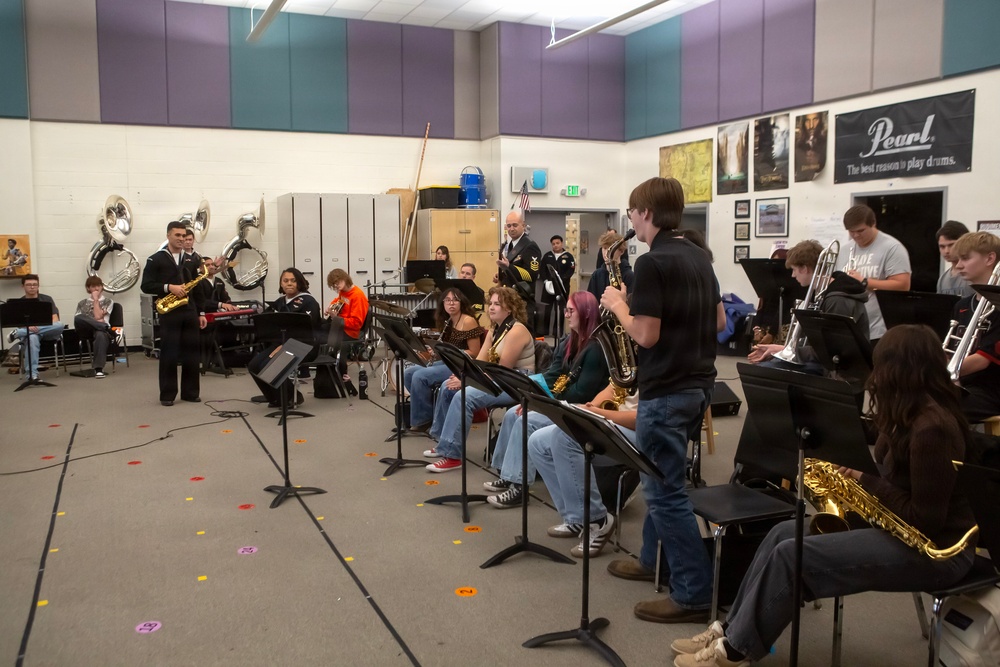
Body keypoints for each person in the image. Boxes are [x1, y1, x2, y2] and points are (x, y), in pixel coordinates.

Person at [672, 324, 976, 667]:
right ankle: (729, 629)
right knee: (783, 533)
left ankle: (737, 650)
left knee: (793, 555)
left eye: (880, 367)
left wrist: (865, 479)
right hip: (897, 528)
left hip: (936, 551)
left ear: (900, 371)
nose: (874, 377)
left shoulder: (932, 428)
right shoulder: (907, 412)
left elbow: (927, 521)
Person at [600, 177, 719, 624]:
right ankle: (652, 559)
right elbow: (719, 317)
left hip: (666, 390)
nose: (630, 220)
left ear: (646, 213)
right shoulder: (697, 256)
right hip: (698, 386)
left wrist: (618, 305)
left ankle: (692, 592)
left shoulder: (652, 262)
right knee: (665, 478)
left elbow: (646, 334)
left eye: (632, 212)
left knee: (664, 492)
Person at [484, 291, 608, 508]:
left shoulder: (596, 347)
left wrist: (542, 404)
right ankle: (508, 472)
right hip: (561, 402)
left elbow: (582, 393)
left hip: (578, 409)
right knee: (515, 412)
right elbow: (553, 372)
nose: (566, 315)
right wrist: (531, 390)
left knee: (526, 420)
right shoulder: (570, 340)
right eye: (566, 310)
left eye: (571, 311)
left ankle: (519, 486)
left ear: (586, 313)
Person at [425, 286, 535, 472]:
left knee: (464, 397)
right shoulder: (494, 330)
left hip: (516, 382)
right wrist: (463, 376)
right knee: (447, 385)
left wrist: (466, 381)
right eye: (490, 303)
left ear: (510, 308)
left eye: (497, 304)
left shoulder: (517, 330)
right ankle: (444, 443)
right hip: (497, 378)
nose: (491, 307)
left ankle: (453, 456)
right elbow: (480, 362)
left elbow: (502, 370)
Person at [528, 381, 638, 558]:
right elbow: (611, 388)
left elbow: (644, 418)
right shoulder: (632, 361)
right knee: (537, 443)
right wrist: (589, 409)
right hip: (610, 421)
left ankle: (597, 520)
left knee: (564, 437)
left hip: (640, 432)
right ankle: (577, 518)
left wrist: (599, 414)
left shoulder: (660, 364)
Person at [748, 239, 869, 373]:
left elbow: (833, 351)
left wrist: (783, 350)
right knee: (766, 367)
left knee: (765, 372)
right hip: (826, 364)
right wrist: (779, 349)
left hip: (841, 372)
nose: (793, 275)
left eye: (794, 270)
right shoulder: (824, 292)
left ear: (804, 268)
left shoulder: (837, 299)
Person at [141, 222, 208, 406]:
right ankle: (168, 394)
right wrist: (169, 287)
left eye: (183, 235)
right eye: (177, 235)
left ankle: (190, 392)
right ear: (168, 236)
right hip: (170, 312)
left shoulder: (192, 260)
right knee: (169, 353)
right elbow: (146, 285)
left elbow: (199, 288)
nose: (180, 239)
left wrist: (201, 312)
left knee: (192, 354)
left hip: (190, 311)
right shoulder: (156, 259)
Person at [404, 288, 485, 432]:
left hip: (461, 364)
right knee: (409, 373)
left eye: (455, 300)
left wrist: (448, 351)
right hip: (448, 361)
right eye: (447, 300)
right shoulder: (448, 321)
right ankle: (432, 413)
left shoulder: (468, 321)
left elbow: (474, 353)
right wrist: (436, 351)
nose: (451, 303)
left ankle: (423, 421)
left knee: (420, 376)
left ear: (462, 303)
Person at [247, 268, 324, 408]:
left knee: (269, 365)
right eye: (285, 281)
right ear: (281, 284)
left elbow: (308, 332)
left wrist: (283, 346)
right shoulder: (280, 302)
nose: (289, 284)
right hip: (280, 344)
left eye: (293, 281)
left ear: (300, 282)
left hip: (304, 346)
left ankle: (291, 397)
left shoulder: (309, 302)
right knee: (253, 365)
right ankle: (274, 397)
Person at [839, 204, 911, 344]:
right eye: (851, 231)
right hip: (850, 328)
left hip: (880, 331)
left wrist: (864, 282)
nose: (855, 235)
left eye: (860, 230)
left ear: (873, 224)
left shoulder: (892, 248)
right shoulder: (844, 250)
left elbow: (902, 286)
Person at [949, 231, 1000, 422]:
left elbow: (982, 360)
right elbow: (951, 350)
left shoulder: (998, 304)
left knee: (939, 406)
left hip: (991, 389)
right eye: (957, 260)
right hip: (964, 385)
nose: (958, 266)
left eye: (965, 258)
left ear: (990, 258)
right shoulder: (961, 306)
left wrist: (936, 374)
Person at [8, 274, 65, 382]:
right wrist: (29, 328)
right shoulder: (19, 303)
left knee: (60, 325)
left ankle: (18, 333)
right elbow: (19, 322)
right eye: (29, 285)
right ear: (23, 286)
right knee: (32, 337)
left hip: (48, 331)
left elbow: (55, 320)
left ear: (38, 286)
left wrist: (37, 327)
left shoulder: (47, 299)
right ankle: (32, 375)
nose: (32, 287)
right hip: (30, 333)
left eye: (35, 284)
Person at [324, 268, 370, 394]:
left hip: (350, 332)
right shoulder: (343, 292)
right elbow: (339, 301)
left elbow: (356, 323)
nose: (336, 286)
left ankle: (339, 377)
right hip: (341, 326)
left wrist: (337, 318)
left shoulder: (357, 296)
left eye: (337, 283)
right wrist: (331, 308)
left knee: (324, 338)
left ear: (344, 279)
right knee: (320, 328)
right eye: (333, 285)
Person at [495, 209, 541, 332]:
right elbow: (508, 270)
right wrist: (500, 275)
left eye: (515, 225)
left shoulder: (530, 246)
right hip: (507, 300)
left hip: (522, 301)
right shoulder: (507, 245)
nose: (511, 228)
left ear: (523, 225)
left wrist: (509, 267)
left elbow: (532, 275)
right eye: (509, 225)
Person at [73, 276, 115, 378]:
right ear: (88, 288)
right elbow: (83, 320)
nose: (96, 289)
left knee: (100, 334)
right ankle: (105, 328)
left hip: (99, 331)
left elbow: (98, 316)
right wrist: (100, 322)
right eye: (93, 286)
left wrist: (96, 300)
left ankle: (99, 369)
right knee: (79, 318)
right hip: (85, 330)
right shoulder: (82, 303)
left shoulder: (108, 301)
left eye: (98, 286)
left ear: (102, 287)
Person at [540, 234, 576, 334]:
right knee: (547, 310)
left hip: (562, 287)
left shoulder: (568, 256)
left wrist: (562, 279)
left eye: (557, 243)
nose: (555, 245)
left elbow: (571, 270)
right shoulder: (547, 256)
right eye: (553, 244)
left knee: (560, 310)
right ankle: (546, 332)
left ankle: (558, 333)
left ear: (561, 243)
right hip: (548, 287)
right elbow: (542, 269)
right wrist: (545, 280)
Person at [587, 230, 635, 301]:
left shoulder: (630, 276)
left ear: (621, 251)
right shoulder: (596, 274)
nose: (606, 253)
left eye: (611, 249)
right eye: (605, 248)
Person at [936, 220, 974, 298]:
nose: (946, 251)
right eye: (942, 246)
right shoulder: (942, 279)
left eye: (951, 245)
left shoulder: (975, 274)